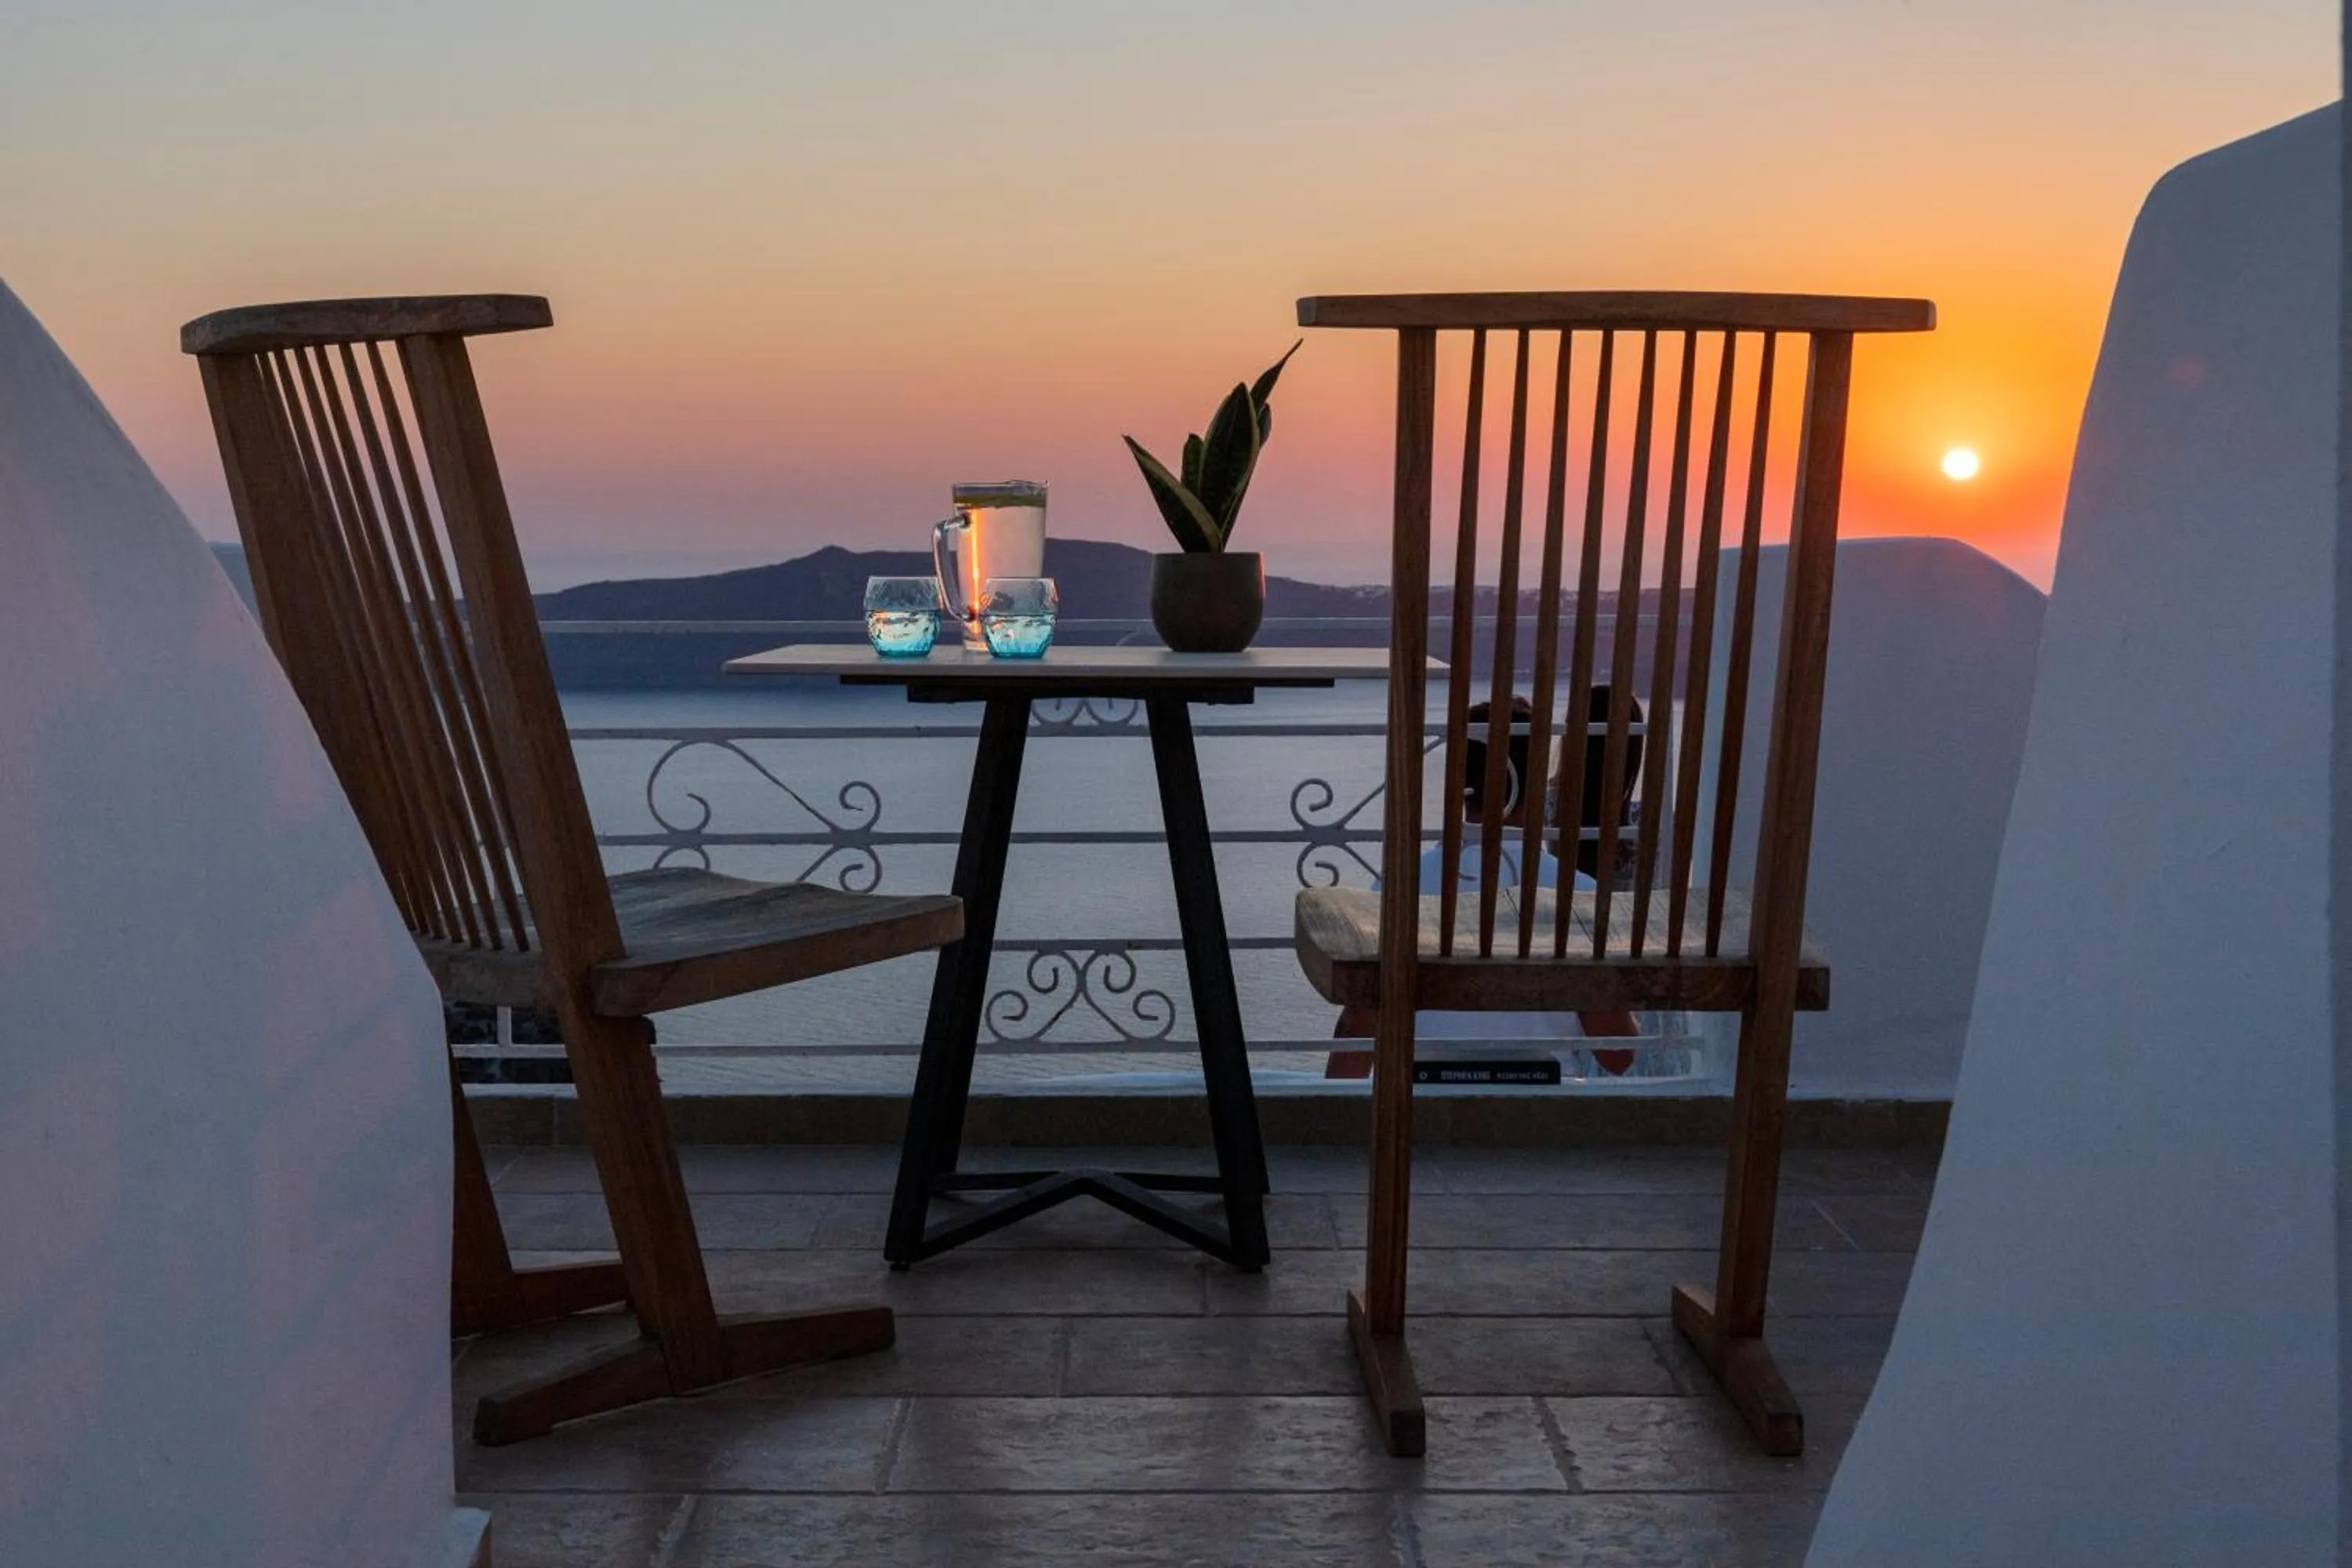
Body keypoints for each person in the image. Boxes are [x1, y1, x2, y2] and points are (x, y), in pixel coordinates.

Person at [1327, 690, 1643, 1076]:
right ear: (1538, 776)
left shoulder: (1400, 885)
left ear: (1459, 778)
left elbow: (1359, 1027)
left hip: (1425, 1100)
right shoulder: (1578, 891)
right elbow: (1617, 1052)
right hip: (1546, 1105)